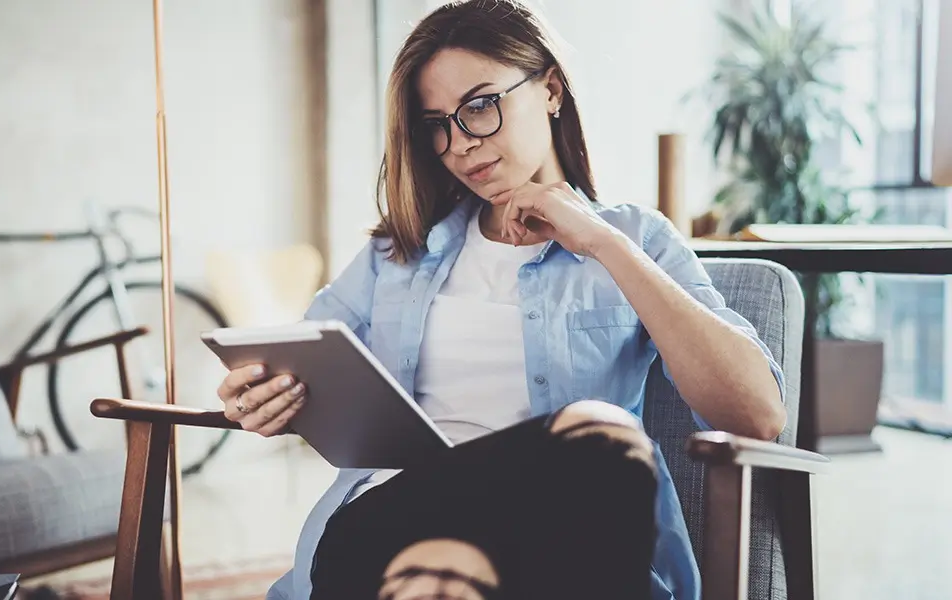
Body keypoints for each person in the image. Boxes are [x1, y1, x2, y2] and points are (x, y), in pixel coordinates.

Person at [214, 1, 787, 598]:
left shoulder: (635, 240)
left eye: (480, 106)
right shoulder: (399, 253)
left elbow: (756, 415)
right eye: (436, 123)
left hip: (550, 540)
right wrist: (261, 393)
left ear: (551, 90)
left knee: (598, 440)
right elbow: (301, 360)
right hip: (385, 525)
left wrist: (601, 244)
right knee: (600, 435)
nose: (459, 144)